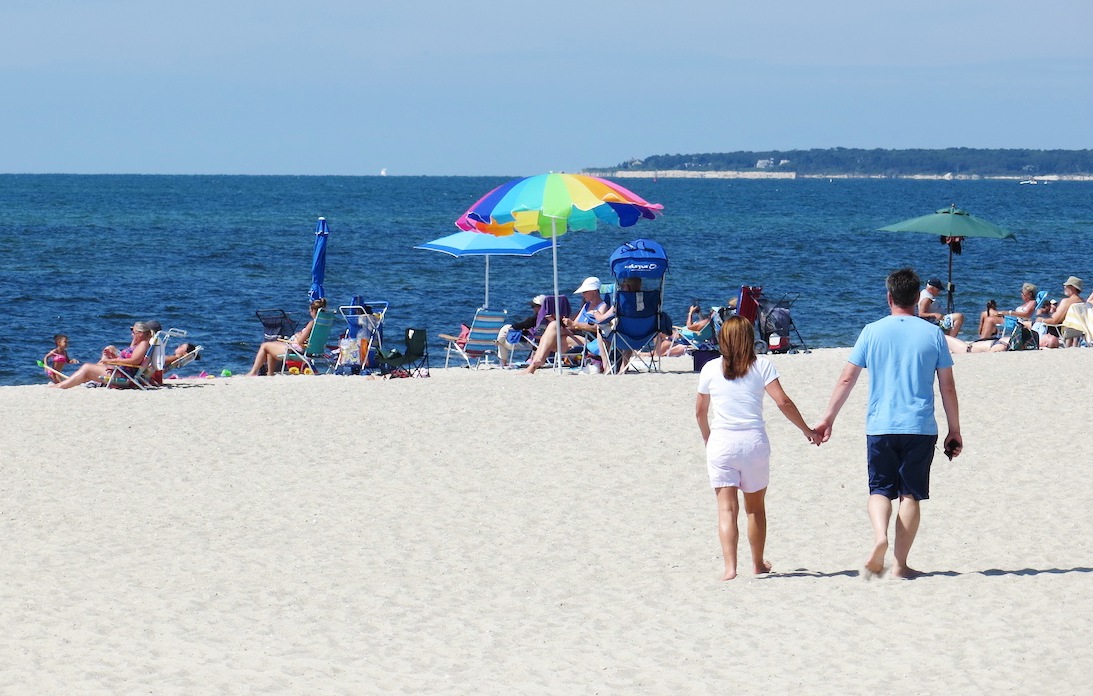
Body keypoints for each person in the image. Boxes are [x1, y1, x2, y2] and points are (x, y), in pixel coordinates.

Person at [815, 268, 962, 580]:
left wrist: (828, 418)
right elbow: (947, 386)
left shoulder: (872, 331)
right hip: (920, 427)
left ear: (889, 297)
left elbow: (847, 378)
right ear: (915, 297)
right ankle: (900, 565)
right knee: (910, 495)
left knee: (880, 489)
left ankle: (880, 536)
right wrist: (955, 429)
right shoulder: (933, 334)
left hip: (880, 425)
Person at [695, 315, 821, 581]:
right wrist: (806, 430)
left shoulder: (709, 369)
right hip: (753, 443)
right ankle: (757, 564)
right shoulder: (762, 365)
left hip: (722, 442)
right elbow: (783, 402)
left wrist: (708, 439)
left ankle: (730, 569)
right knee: (755, 508)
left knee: (726, 509)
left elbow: (700, 412)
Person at [525, 278, 609, 374]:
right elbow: (573, 325)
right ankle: (536, 362)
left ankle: (534, 364)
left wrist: (574, 325)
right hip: (576, 336)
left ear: (594, 291)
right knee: (553, 325)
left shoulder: (603, 306)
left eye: (585, 292)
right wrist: (563, 322)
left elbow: (598, 327)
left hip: (589, 339)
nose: (583, 294)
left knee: (550, 334)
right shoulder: (586, 306)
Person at [51, 322, 154, 389]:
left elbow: (134, 361)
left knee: (87, 368)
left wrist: (112, 361)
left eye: (134, 332)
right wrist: (113, 357)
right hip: (121, 371)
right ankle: (62, 385)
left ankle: (61, 386)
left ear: (140, 334)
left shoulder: (143, 344)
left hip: (124, 376)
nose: (132, 334)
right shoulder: (139, 344)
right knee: (89, 368)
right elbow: (131, 359)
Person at [245, 298, 327, 376]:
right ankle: (270, 374)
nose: (309, 312)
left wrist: (298, 335)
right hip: (307, 350)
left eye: (310, 310)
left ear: (313, 311)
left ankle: (253, 372)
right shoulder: (322, 324)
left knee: (265, 346)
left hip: (295, 351)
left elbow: (299, 341)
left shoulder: (312, 323)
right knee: (271, 347)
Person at [1032, 276, 1085, 348]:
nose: (1064, 287)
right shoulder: (1082, 302)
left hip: (1060, 329)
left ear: (1072, 287)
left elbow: (1054, 320)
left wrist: (1041, 319)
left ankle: (1035, 344)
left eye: (1066, 286)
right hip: (1078, 330)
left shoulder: (1066, 302)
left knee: (1038, 323)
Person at [497, 295, 545, 365]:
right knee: (502, 341)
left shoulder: (535, 318)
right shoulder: (550, 317)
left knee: (505, 329)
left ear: (540, 307)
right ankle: (498, 342)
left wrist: (518, 328)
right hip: (538, 342)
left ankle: (497, 344)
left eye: (533, 306)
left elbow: (517, 326)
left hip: (531, 343)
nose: (532, 309)